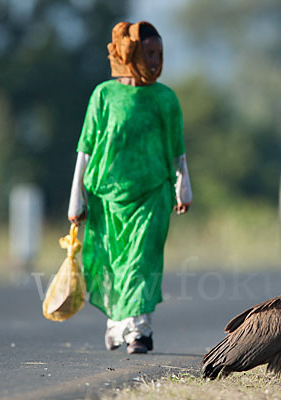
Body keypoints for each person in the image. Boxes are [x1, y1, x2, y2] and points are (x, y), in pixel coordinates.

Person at [67, 21, 192, 354]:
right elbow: (85, 148)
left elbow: (177, 148)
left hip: (153, 192)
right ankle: (116, 323)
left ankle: (139, 330)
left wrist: (184, 186)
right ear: (131, 53)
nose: (155, 61)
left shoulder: (165, 98)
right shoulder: (104, 95)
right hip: (105, 196)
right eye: (149, 53)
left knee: (142, 260)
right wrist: (75, 196)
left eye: (160, 54)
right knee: (113, 263)